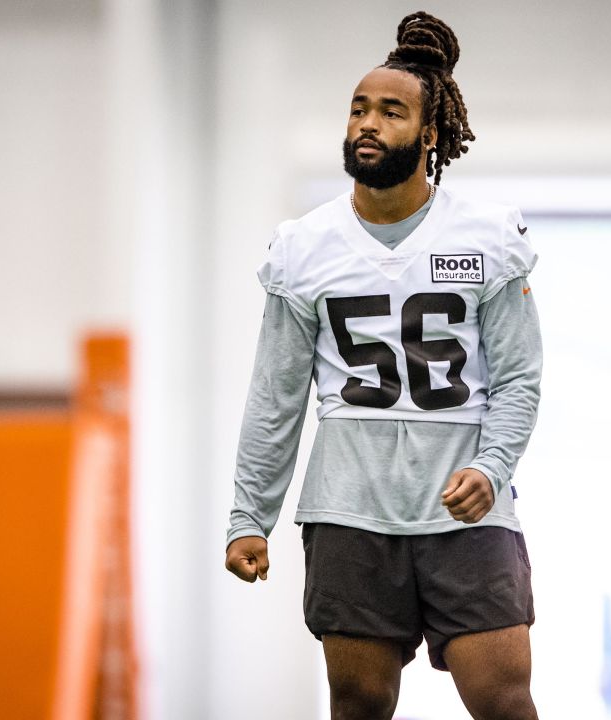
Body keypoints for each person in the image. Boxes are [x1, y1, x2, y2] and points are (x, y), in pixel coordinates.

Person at [222, 12, 542, 720]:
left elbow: (519, 377)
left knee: (504, 699)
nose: (368, 123)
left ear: (430, 135)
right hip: (349, 507)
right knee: (359, 703)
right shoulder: (305, 246)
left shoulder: (487, 236)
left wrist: (490, 468)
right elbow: (275, 396)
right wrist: (250, 516)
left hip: (466, 512)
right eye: (359, 109)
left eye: (391, 112)